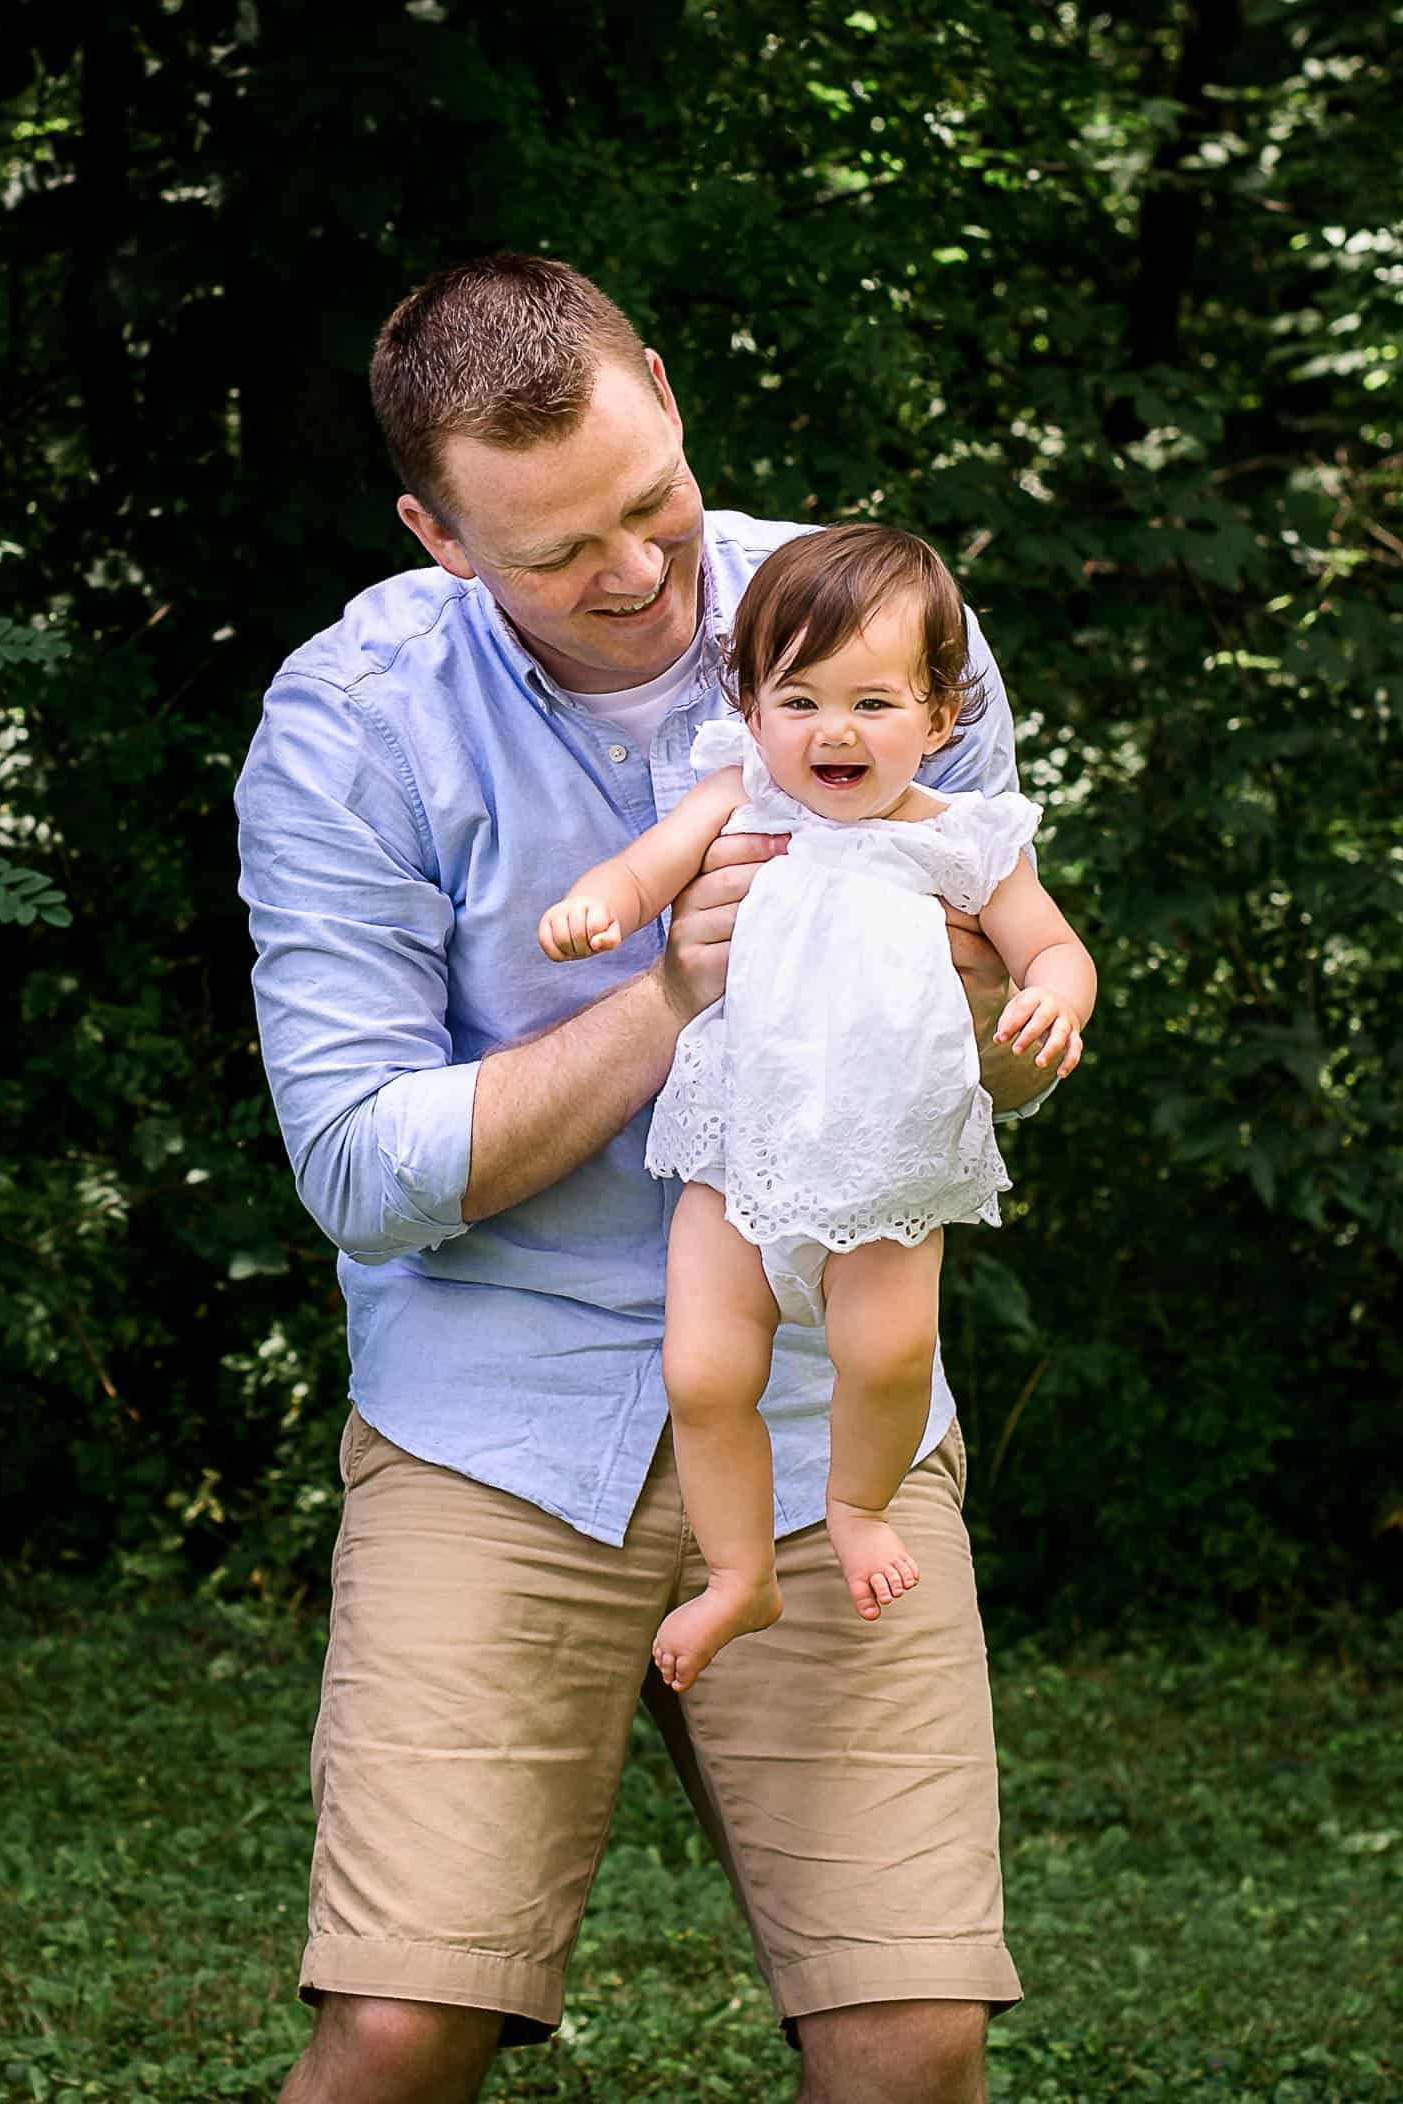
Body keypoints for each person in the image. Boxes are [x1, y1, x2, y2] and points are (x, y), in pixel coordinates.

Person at [237, 252, 1050, 2104]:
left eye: (649, 506)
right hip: (491, 1417)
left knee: (912, 2033)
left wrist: (994, 987)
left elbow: (991, 983)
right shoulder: (350, 722)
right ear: (437, 533)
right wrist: (673, 995)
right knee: (395, 2022)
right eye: (549, 552)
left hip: (814, 1409)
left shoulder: (873, 619)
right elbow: (363, 1169)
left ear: (669, 397)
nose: (632, 574)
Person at [539, 522, 1095, 1696]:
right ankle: (739, 1573)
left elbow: (1051, 946)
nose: (832, 731)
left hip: (884, 1166)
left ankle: (852, 1505)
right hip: (736, 1161)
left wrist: (1050, 996)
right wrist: (598, 902)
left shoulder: (961, 840)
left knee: (884, 1354)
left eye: (872, 702)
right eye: (797, 698)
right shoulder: (740, 800)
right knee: (700, 1371)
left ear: (939, 719)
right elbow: (643, 871)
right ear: (748, 709)